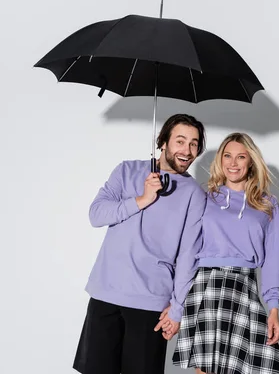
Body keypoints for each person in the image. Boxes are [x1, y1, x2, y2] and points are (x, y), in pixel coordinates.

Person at [73, 114, 207, 374]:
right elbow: (96, 214)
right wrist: (142, 199)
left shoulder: (194, 194)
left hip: (150, 304)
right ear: (163, 142)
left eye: (194, 144)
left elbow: (189, 256)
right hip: (105, 294)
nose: (187, 150)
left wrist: (177, 308)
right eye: (180, 141)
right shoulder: (126, 171)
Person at [157, 132, 279, 374]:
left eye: (240, 157)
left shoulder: (267, 204)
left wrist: (274, 309)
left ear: (251, 161)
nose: (233, 163)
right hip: (205, 288)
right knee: (206, 370)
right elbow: (187, 250)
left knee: (254, 366)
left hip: (244, 288)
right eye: (227, 156)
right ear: (220, 159)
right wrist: (175, 302)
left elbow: (272, 261)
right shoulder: (204, 198)